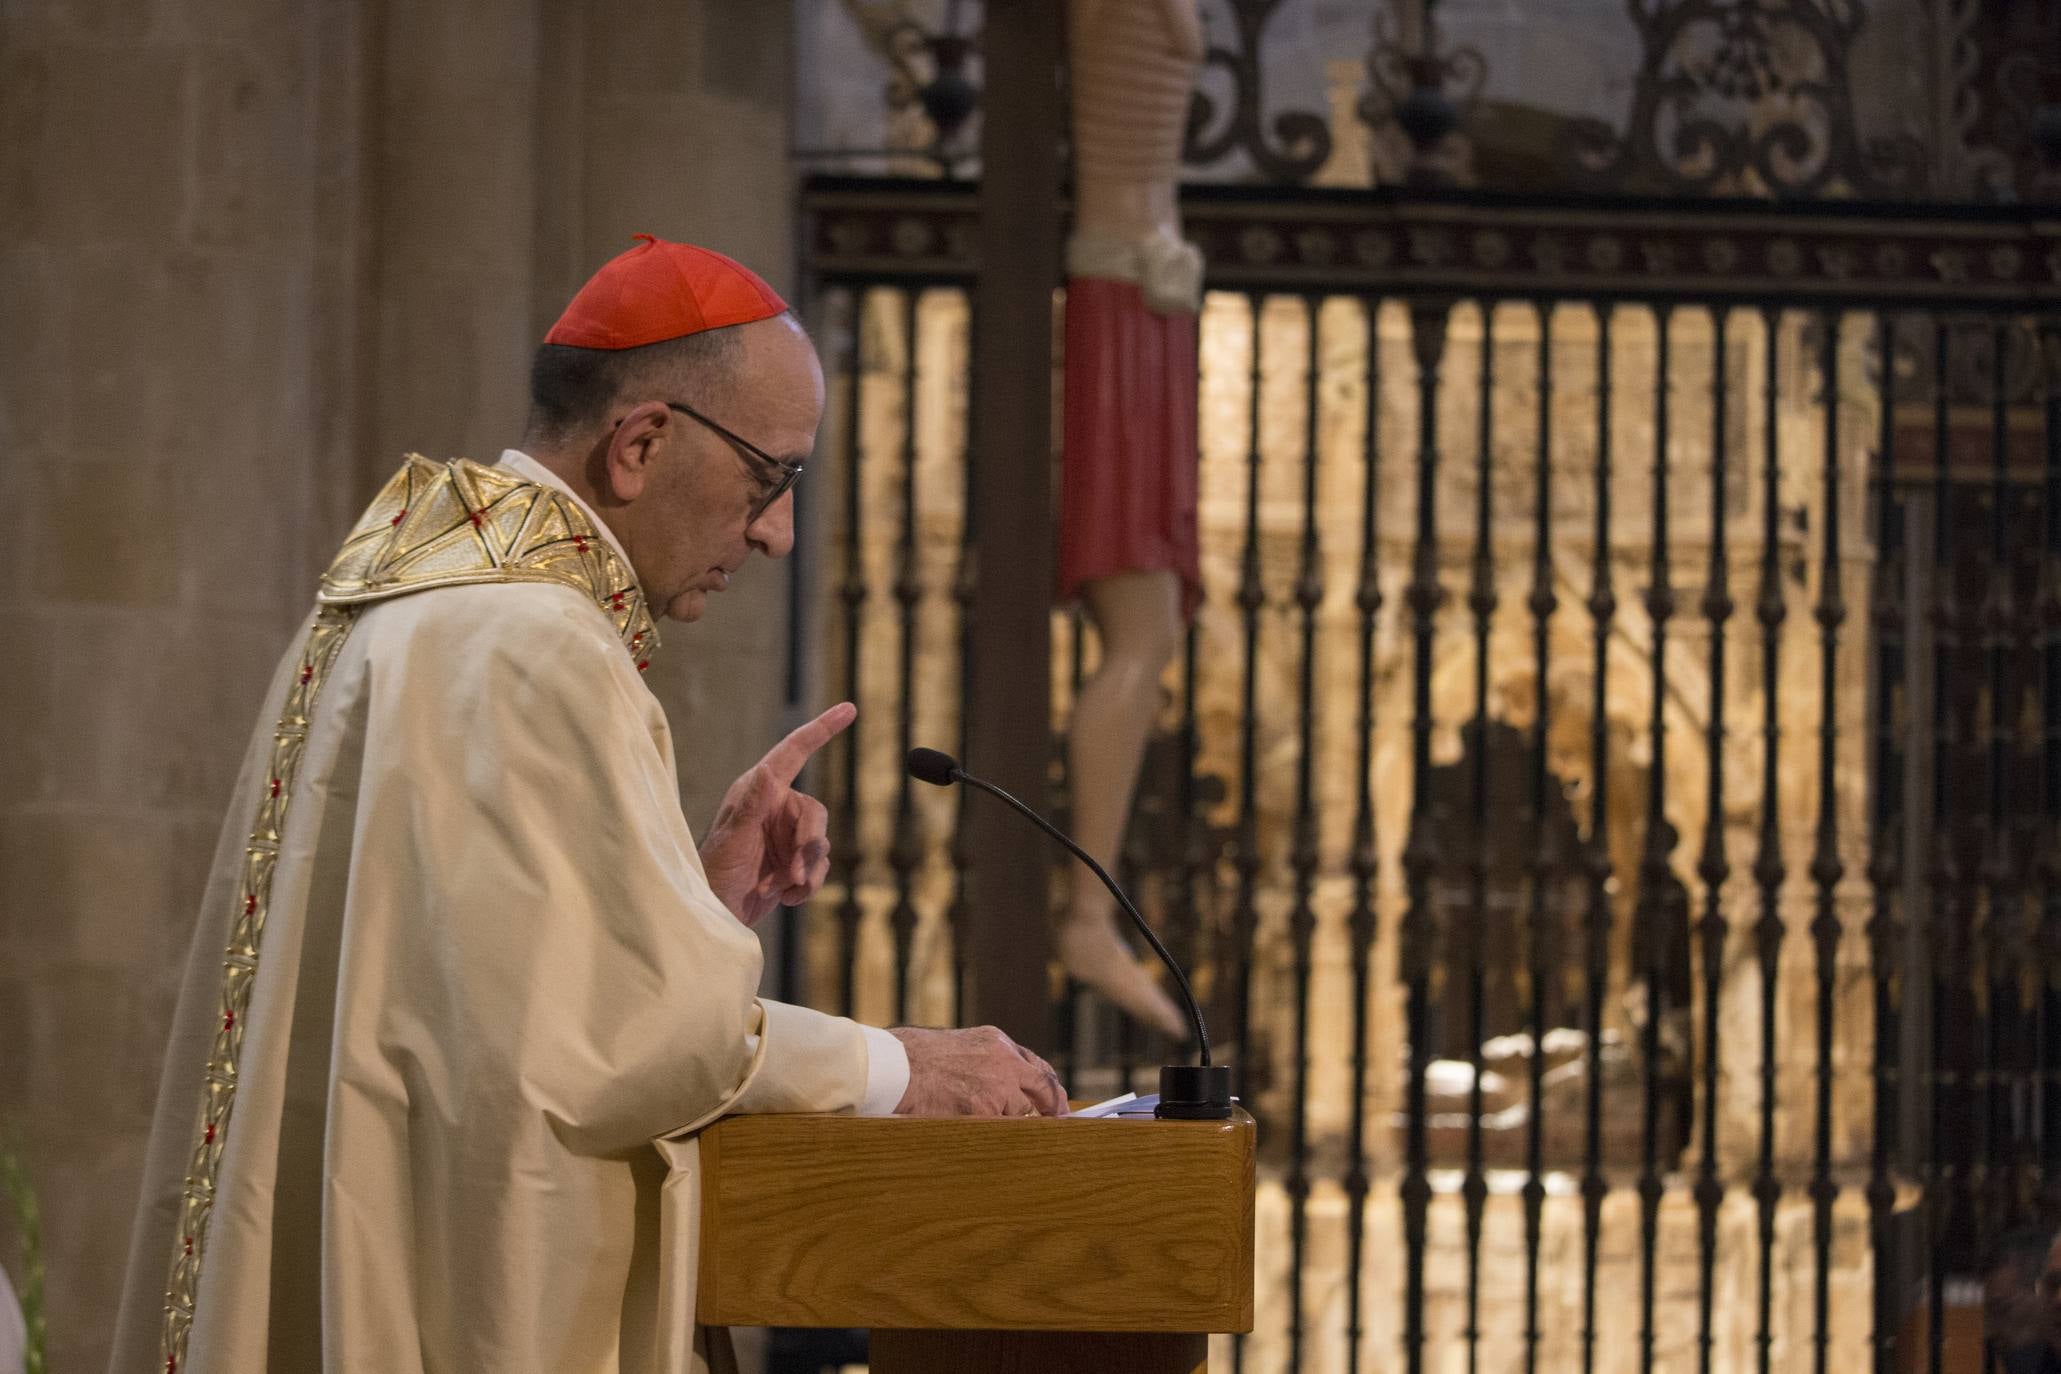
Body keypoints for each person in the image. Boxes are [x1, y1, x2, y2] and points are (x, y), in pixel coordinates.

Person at [108, 236, 1067, 1374]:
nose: (776, 534)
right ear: (643, 442)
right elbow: (609, 1054)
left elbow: (494, 997)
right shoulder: (533, 641)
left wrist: (687, 909)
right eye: (773, 478)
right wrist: (902, 1071)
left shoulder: (414, 607)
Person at [1056, 0, 1206, 1041]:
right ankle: (1084, 916)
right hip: (1119, 293)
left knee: (1156, 632)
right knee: (1141, 634)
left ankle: (1091, 914)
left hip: (1147, 293)